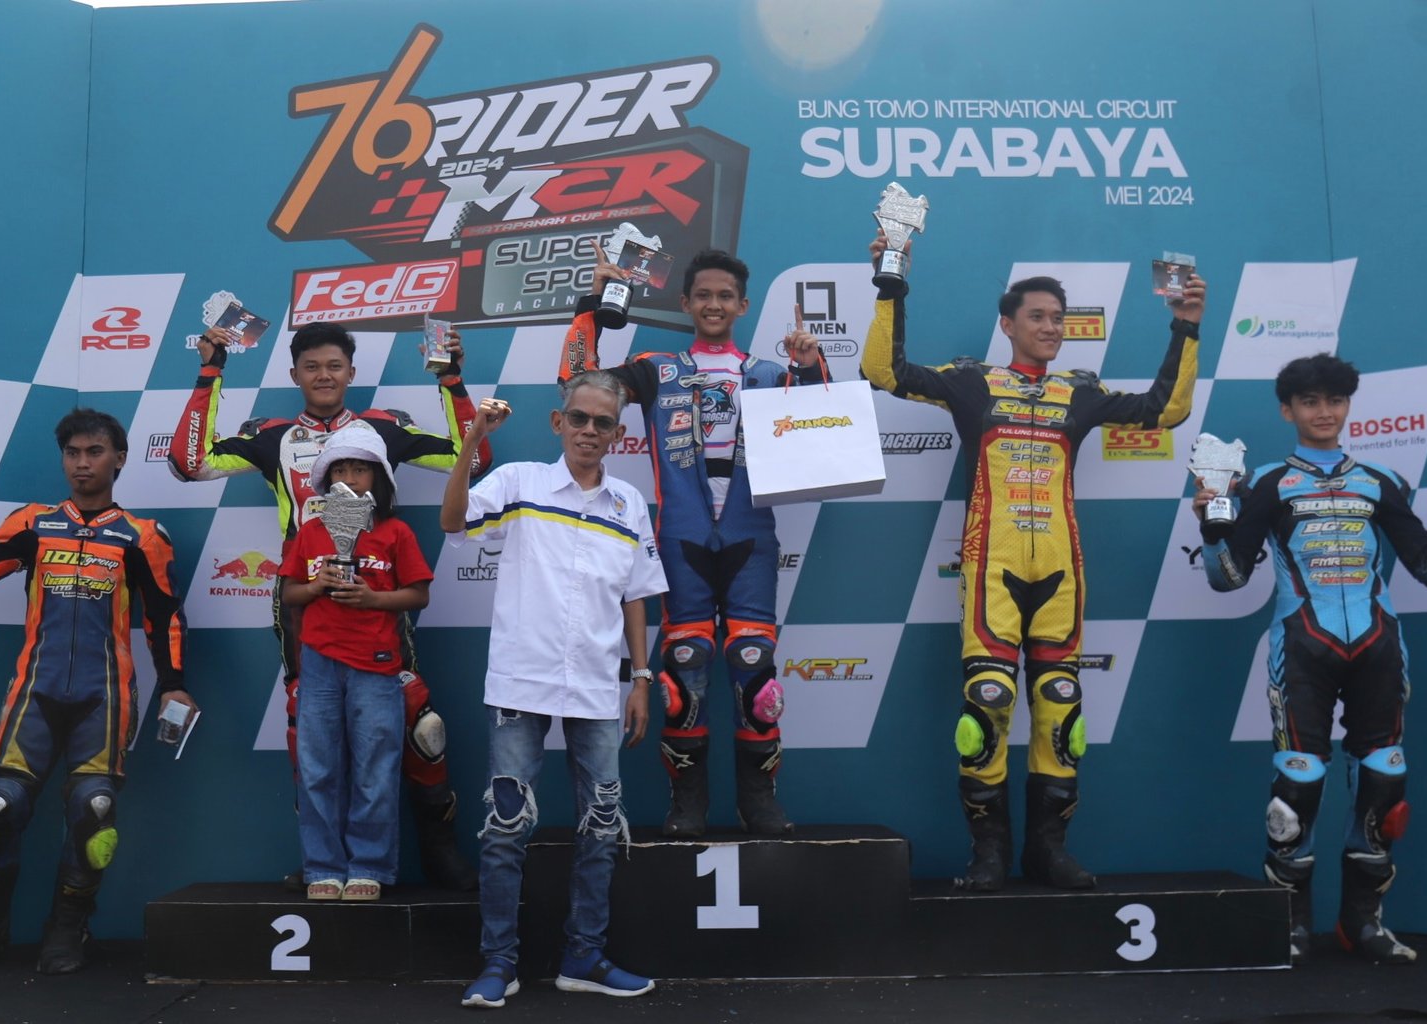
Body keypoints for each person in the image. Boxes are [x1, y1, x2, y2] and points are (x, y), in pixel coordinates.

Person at [862, 230, 1206, 891]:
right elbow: (885, 371)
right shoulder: (972, 383)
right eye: (1038, 317)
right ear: (1008, 325)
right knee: (987, 704)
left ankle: (1048, 852)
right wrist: (890, 280)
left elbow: (1168, 410)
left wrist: (1184, 327)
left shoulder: (1078, 392)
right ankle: (988, 855)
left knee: (1061, 707)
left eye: (1058, 318)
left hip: (1061, 571)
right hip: (990, 568)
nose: (1051, 327)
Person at [169, 320, 491, 890]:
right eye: (312, 366)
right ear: (294, 374)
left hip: (378, 591)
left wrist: (452, 381)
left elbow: (474, 459)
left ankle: (437, 851)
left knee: (418, 721)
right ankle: (324, 861)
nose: (324, 375)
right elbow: (189, 462)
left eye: (334, 366)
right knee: (309, 730)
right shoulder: (272, 437)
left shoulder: (382, 429)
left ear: (351, 373)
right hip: (304, 599)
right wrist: (210, 369)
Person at [1194, 353, 1427, 964]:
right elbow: (1228, 579)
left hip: (1380, 648)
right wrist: (1211, 526)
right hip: (1301, 647)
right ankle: (1291, 926)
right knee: (1296, 788)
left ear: (1348, 405)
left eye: (1334, 400)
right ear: (1288, 411)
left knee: (1384, 783)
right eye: (1310, 402)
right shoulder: (1267, 483)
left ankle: (1364, 925)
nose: (1324, 412)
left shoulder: (1381, 480)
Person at [558, 243, 822, 838]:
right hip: (682, 537)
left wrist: (810, 367)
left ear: (743, 305)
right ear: (685, 303)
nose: (714, 304)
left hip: (751, 537)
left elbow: (825, 429)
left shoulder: (769, 375)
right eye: (703, 295)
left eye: (725, 296)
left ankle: (760, 803)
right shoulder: (656, 368)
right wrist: (592, 307)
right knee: (685, 668)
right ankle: (688, 805)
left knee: (755, 670)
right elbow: (579, 383)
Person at [0, 409, 191, 977]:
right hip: (34, 691)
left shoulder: (142, 536)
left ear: (119, 458)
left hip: (105, 696)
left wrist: (175, 685)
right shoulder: (34, 523)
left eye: (95, 452)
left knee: (94, 811)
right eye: (72, 453)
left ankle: (68, 931)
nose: (82, 464)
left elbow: (165, 616)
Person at [442, 375, 666, 1006]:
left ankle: (584, 957)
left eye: (603, 422)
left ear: (618, 433)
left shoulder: (629, 504)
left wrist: (641, 677)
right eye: (579, 418)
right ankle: (498, 964)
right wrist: (472, 441)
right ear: (557, 422)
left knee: (601, 826)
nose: (589, 431)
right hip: (521, 681)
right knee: (505, 827)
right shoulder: (519, 483)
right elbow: (453, 521)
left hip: (597, 687)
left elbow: (636, 597)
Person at [279, 423, 433, 901]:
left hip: (377, 664)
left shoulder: (396, 532)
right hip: (319, 662)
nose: (349, 478)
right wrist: (318, 586)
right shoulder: (311, 532)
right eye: (340, 469)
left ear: (378, 478)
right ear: (326, 481)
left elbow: (419, 595)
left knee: (376, 769)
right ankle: (323, 867)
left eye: (360, 469)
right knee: (318, 769)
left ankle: (369, 866)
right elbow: (289, 594)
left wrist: (373, 598)